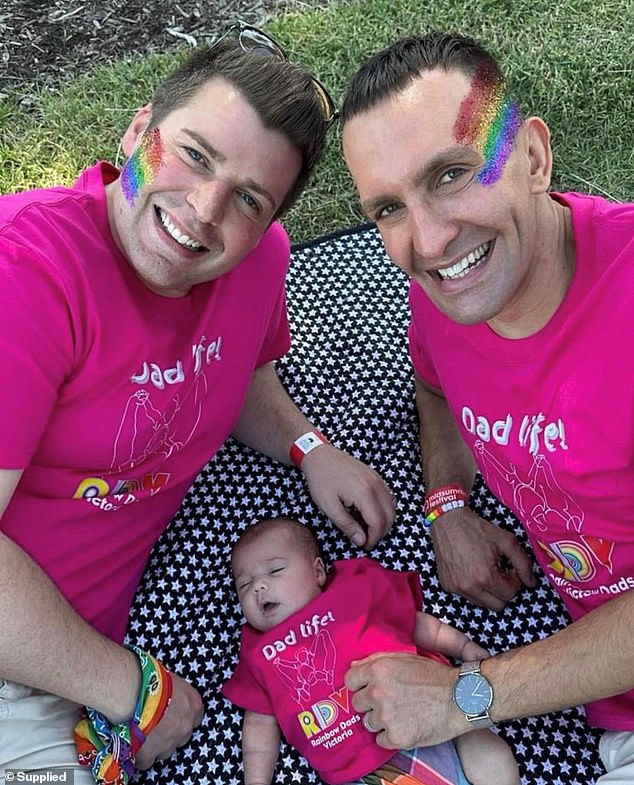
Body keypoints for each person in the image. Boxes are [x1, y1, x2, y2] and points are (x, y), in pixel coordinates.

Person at [0, 22, 396, 782]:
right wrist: (136, 689)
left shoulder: (256, 265)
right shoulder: (30, 275)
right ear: (138, 128)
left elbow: (236, 369)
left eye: (249, 197)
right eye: (194, 155)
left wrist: (311, 449)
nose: (206, 211)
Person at [339, 30, 634, 784]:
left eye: (450, 174)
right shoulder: (449, 293)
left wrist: (466, 697)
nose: (430, 240)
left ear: (534, 157)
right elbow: (434, 382)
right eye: (389, 208)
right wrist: (446, 502)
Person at [223, 517, 519, 785]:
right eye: (244, 585)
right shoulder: (258, 652)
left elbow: (411, 623)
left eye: (275, 571)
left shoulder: (354, 593)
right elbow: (260, 722)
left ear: (317, 572)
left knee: (488, 754)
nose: (259, 587)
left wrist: (462, 645)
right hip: (358, 771)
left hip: (432, 718)